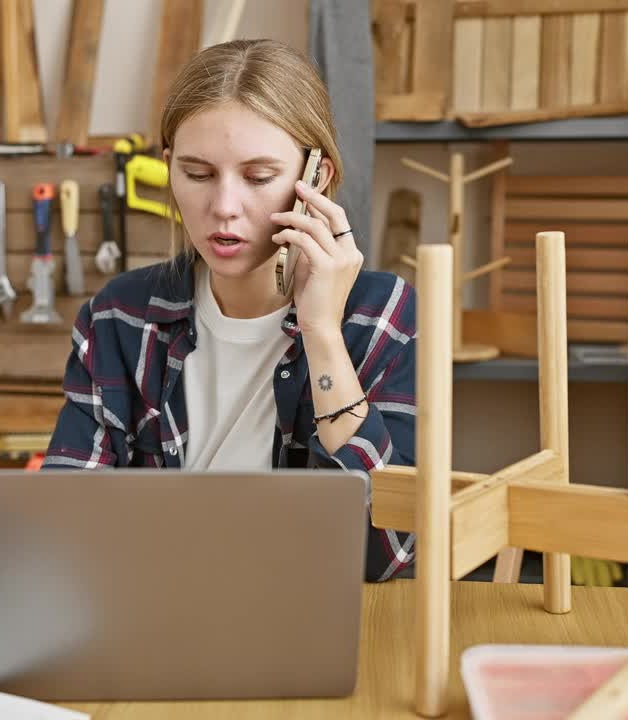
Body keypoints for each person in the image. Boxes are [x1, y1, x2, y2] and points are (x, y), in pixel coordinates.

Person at [42, 39, 417, 582]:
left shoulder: (380, 313)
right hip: (151, 618)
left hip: (309, 627)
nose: (223, 206)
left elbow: (388, 554)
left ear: (316, 180)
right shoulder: (117, 318)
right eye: (197, 174)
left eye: (259, 177)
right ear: (169, 170)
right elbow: (59, 528)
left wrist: (320, 332)